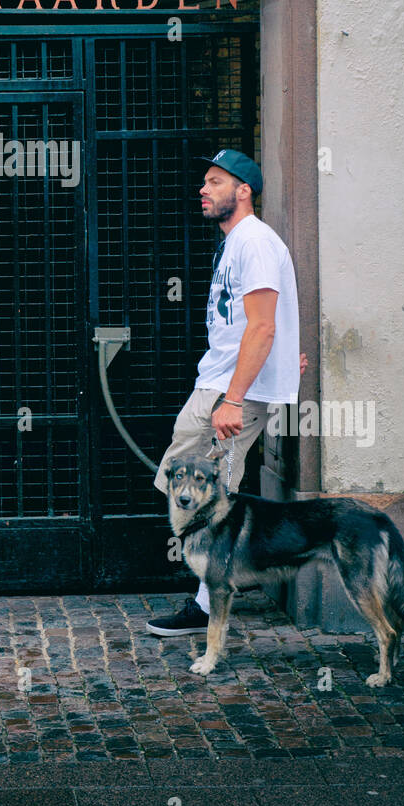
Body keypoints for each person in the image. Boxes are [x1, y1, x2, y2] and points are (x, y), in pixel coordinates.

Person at [146, 148, 306, 636]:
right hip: (219, 381)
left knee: (209, 492)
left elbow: (261, 327)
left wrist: (234, 399)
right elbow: (255, 325)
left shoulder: (254, 242)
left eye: (215, 182)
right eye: (205, 181)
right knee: (184, 479)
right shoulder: (238, 242)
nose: (203, 189)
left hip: (229, 389)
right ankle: (214, 585)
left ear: (244, 191)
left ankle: (207, 600)